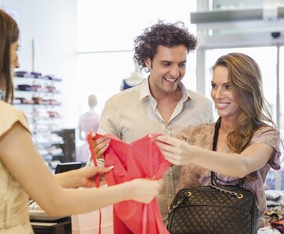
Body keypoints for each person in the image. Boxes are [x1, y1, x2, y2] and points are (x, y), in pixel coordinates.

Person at [0, 2, 161, 234]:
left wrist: (76, 178)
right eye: (15, 50)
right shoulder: (1, 118)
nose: (17, 63)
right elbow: (55, 203)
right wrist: (130, 190)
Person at [92, 20, 214, 218]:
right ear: (147, 61)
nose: (175, 73)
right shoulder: (117, 106)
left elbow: (213, 161)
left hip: (195, 222)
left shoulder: (203, 106)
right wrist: (100, 156)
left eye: (181, 64)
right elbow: (99, 164)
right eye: (166, 64)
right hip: (138, 222)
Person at [155, 52, 284, 230]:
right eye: (214, 86)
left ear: (247, 88)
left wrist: (192, 154)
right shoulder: (194, 134)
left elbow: (242, 165)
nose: (218, 94)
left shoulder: (265, 135)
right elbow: (151, 161)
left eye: (228, 86)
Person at [76, 94, 100, 162]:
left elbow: (80, 137)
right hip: (95, 148)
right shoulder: (99, 118)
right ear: (96, 103)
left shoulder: (82, 117)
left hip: (84, 150)